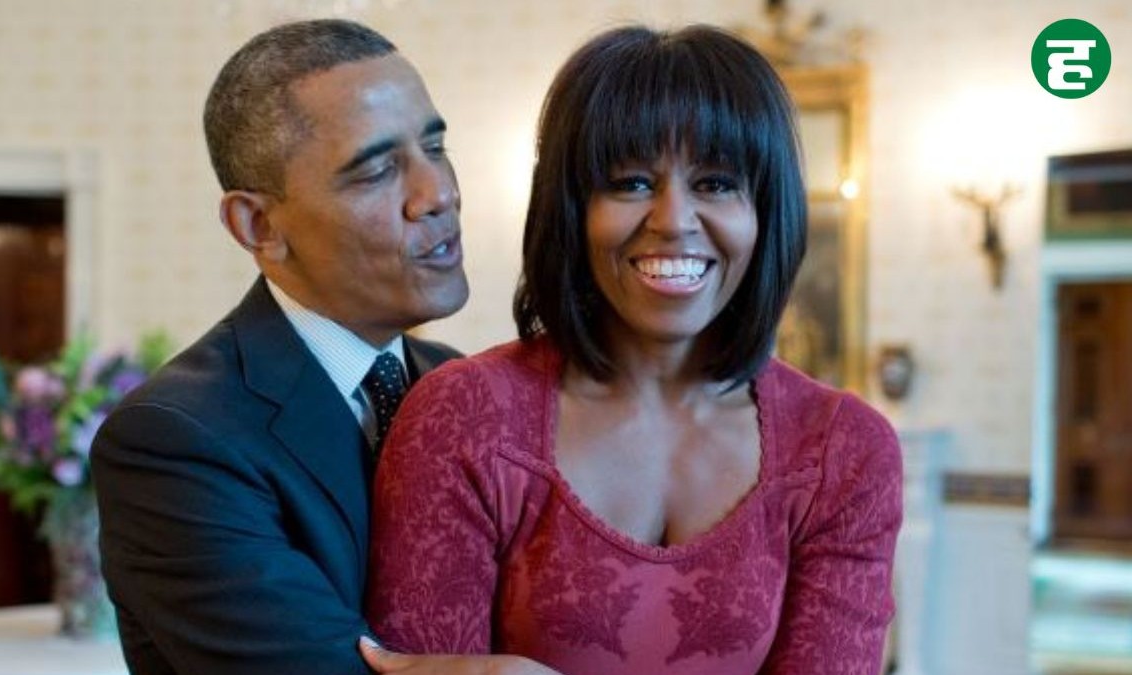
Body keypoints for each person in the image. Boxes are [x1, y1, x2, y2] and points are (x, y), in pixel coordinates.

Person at [366, 24, 903, 675]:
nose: (673, 220)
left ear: (766, 211)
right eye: (631, 183)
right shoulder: (462, 419)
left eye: (716, 183)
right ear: (571, 207)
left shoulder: (844, 451)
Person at [92, 19, 557, 675]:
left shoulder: (460, 385)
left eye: (435, 145)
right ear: (259, 225)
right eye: (378, 170)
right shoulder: (174, 438)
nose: (439, 193)